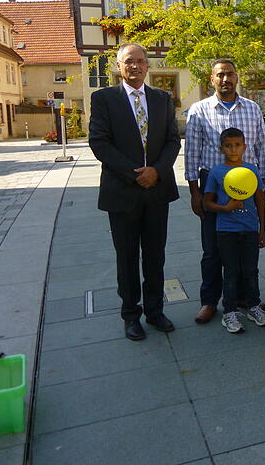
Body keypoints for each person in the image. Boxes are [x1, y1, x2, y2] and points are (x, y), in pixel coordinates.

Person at [88, 43, 181, 341]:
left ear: (148, 66)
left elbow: (172, 141)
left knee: (155, 255)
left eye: (141, 61)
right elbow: (99, 142)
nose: (135, 66)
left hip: (157, 190)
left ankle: (155, 311)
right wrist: (134, 174)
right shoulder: (104, 99)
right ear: (119, 66)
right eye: (129, 61)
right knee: (127, 257)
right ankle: (131, 314)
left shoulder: (162, 99)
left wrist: (157, 170)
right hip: (122, 192)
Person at [185, 58, 265, 325]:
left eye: (230, 74)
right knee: (212, 249)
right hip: (213, 183)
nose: (225, 79)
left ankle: (246, 298)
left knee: (245, 244)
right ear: (212, 79)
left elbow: (259, 150)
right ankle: (210, 301)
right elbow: (191, 152)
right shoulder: (199, 110)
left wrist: (262, 185)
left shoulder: (253, 108)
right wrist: (194, 192)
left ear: (237, 77)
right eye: (220, 75)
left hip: (247, 184)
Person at [203, 128, 265, 333]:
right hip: (226, 231)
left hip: (250, 229)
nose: (233, 149)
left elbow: (260, 201)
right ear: (221, 148)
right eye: (228, 145)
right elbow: (207, 203)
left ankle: (253, 306)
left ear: (244, 147)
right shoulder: (216, 172)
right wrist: (225, 208)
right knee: (231, 272)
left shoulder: (251, 170)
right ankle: (229, 311)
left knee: (251, 271)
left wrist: (262, 229)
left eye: (237, 145)